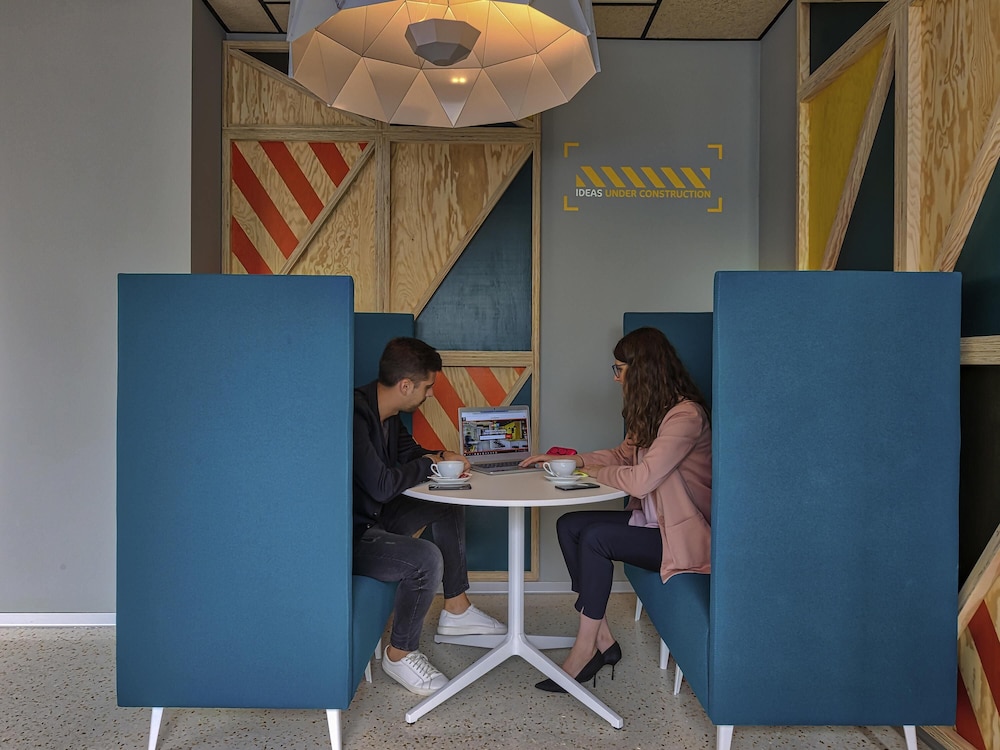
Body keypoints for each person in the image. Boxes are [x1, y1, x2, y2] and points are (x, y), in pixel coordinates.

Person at [519, 327, 711, 692]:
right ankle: (603, 637)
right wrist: (571, 461)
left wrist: (590, 471)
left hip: (680, 535)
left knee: (596, 538)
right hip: (653, 522)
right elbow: (623, 456)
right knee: (570, 525)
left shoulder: (685, 417)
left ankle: (584, 650)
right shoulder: (653, 413)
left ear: (642, 370)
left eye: (619, 369)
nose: (615, 377)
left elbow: (640, 481)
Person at [353, 337, 507, 696]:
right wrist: (429, 463)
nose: (432, 394)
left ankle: (456, 608)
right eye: (428, 387)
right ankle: (399, 653)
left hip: (378, 517)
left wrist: (442, 455)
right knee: (425, 558)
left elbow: (412, 453)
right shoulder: (356, 416)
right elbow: (381, 485)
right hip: (353, 536)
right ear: (406, 385)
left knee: (448, 501)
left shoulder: (388, 414)